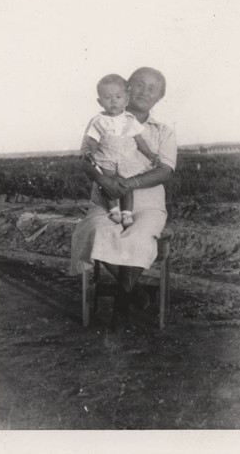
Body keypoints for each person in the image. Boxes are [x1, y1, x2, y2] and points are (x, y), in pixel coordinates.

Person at [70, 67, 177, 326]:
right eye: (139, 85)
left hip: (148, 203)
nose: (145, 92)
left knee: (139, 235)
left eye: (153, 88)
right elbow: (85, 159)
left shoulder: (162, 130)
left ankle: (121, 307)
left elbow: (164, 169)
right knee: (99, 232)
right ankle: (135, 291)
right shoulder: (100, 121)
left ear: (160, 97)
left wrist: (128, 183)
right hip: (106, 200)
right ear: (127, 90)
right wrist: (105, 181)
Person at [81, 73, 158, 228]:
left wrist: (149, 154)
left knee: (126, 185)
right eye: (107, 98)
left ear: (126, 99)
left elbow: (139, 140)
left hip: (127, 159)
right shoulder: (98, 121)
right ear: (100, 101)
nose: (113, 101)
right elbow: (92, 140)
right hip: (107, 158)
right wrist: (91, 152)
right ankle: (113, 209)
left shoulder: (129, 119)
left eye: (118, 97)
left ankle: (127, 213)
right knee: (108, 183)